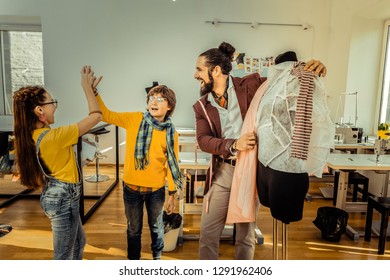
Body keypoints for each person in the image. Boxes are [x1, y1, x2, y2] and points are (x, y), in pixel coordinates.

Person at [192, 42, 327, 260]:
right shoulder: (202, 106)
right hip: (224, 173)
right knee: (208, 233)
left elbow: (286, 78)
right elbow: (204, 140)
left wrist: (312, 68)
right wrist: (233, 144)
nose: (195, 74)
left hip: (250, 172)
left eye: (199, 69)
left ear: (215, 70)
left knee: (245, 236)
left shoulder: (251, 85)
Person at [13, 66, 102, 259]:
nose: (55, 106)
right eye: (53, 102)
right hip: (63, 199)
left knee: (78, 243)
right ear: (39, 110)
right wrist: (87, 88)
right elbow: (96, 116)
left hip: (61, 197)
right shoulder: (54, 137)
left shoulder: (34, 135)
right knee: (63, 256)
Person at [93, 81, 181, 260]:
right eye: (151, 98)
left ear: (169, 105)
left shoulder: (171, 133)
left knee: (157, 229)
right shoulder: (134, 119)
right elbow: (106, 115)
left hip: (156, 191)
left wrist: (172, 195)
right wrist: (94, 93)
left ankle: (157, 259)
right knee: (133, 229)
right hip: (131, 189)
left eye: (160, 99)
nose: (154, 102)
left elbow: (172, 164)